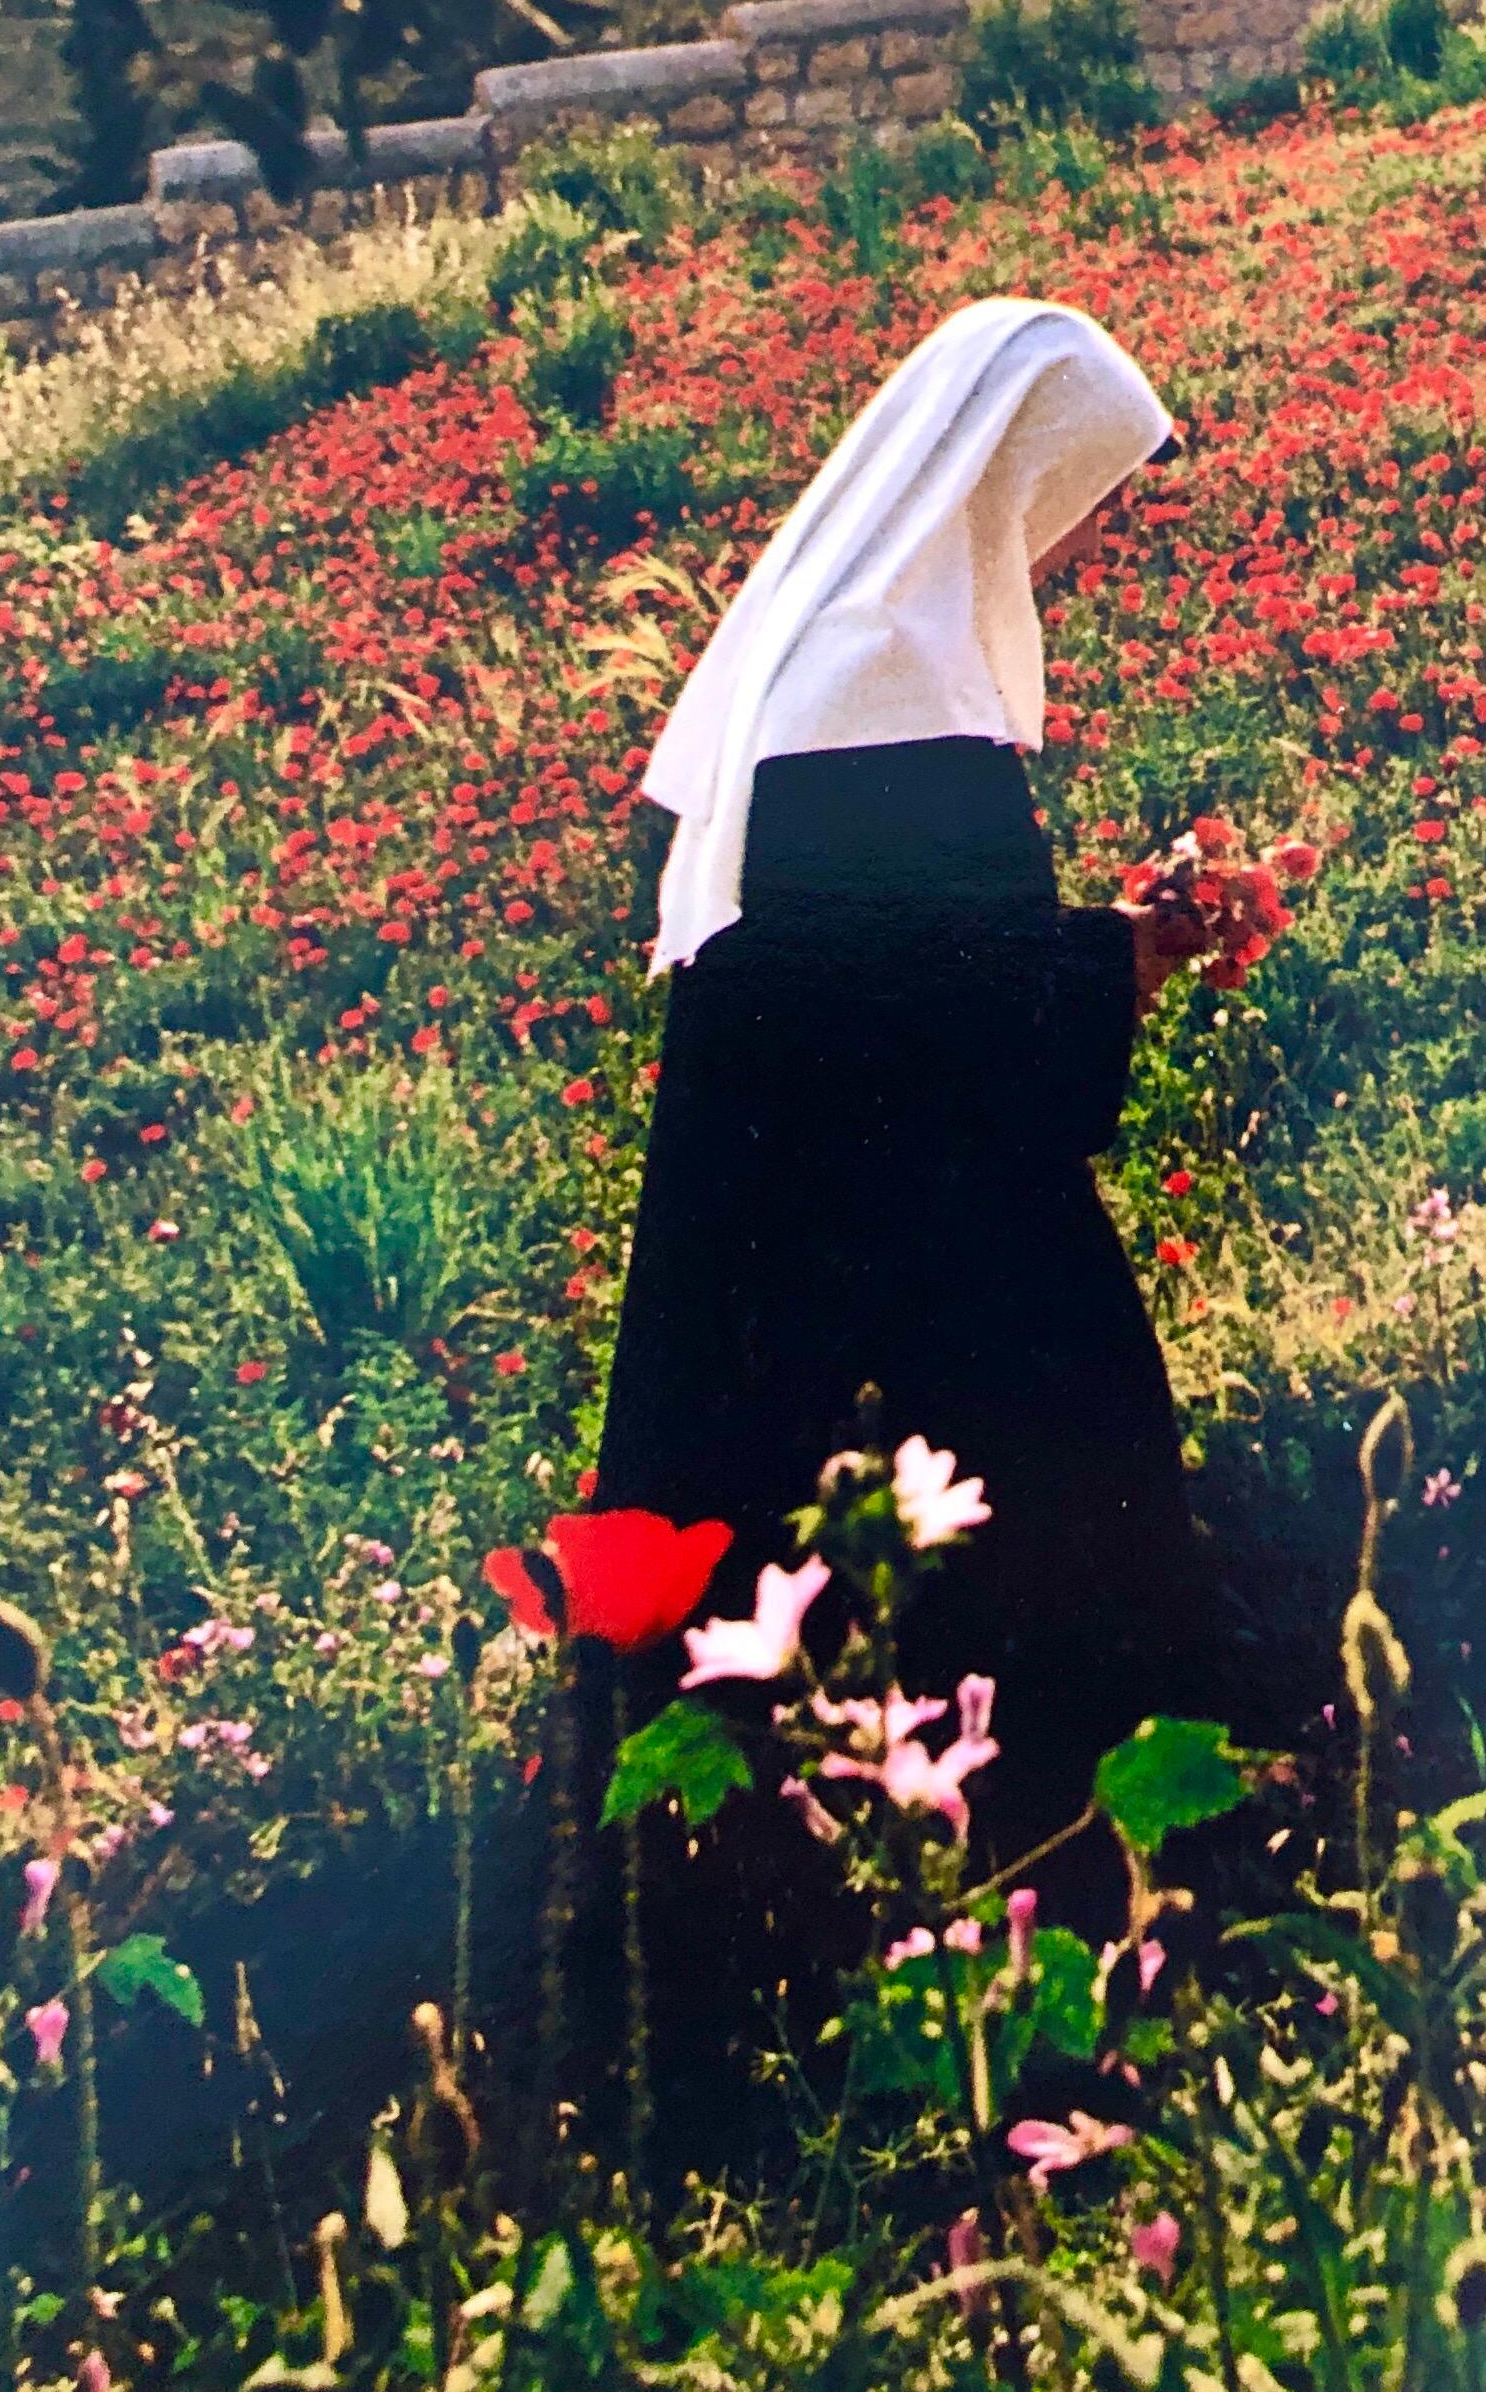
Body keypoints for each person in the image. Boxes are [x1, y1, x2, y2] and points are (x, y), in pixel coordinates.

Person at [593, 296, 1222, 1877]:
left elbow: (920, 980)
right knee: (1051, 1477)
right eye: (1075, 505)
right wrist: (1121, 962)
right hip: (883, 1210)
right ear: (999, 488)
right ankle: (1064, 1801)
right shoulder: (884, 713)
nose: (1080, 549)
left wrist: (1104, 951)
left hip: (845, 1193)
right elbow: (926, 1010)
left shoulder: (860, 674)